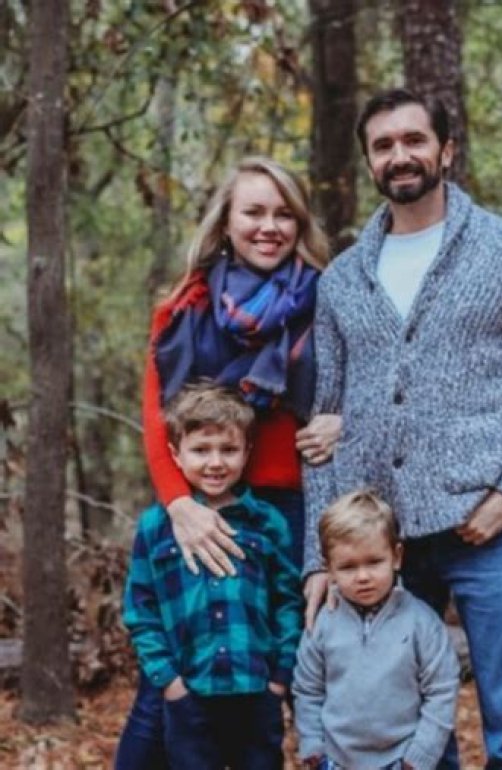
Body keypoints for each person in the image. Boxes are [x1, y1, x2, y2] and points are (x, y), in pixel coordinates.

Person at [302, 89, 502, 769]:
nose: (400, 155)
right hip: (380, 544)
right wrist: (320, 559)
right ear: (369, 162)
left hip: (486, 529)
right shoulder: (342, 280)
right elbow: (322, 429)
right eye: (383, 145)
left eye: (414, 139)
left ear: (446, 151)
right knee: (402, 727)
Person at [115, 156, 340, 769]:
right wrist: (180, 506)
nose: (269, 226)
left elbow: (367, 390)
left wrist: (343, 422)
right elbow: (157, 418)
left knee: (288, 676)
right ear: (226, 221)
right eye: (253, 212)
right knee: (170, 687)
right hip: (206, 506)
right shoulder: (184, 308)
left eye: (283, 214)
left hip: (296, 509)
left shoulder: (330, 299)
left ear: (300, 224)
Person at [122, 382, 302, 769]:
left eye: (228, 449)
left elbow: (288, 602)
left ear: (247, 451)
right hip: (189, 693)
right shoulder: (156, 526)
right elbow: (140, 610)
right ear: (176, 453)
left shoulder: (267, 523)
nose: (215, 462)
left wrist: (279, 679)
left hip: (255, 692)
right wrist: (169, 682)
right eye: (201, 450)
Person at [293, 489, 460, 770]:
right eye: (348, 567)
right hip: (337, 760)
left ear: (396, 556)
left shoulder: (421, 622)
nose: (363, 577)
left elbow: (441, 691)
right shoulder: (323, 624)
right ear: (329, 568)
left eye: (374, 562)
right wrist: (312, 746)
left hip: (403, 759)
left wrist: (420, 756)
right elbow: (308, 689)